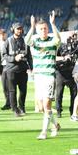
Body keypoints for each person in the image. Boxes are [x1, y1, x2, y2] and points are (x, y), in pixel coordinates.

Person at [25, 11, 61, 140]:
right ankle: (56, 124)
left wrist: (53, 24)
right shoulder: (34, 41)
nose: (44, 30)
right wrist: (32, 26)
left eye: (45, 28)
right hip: (38, 77)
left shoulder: (52, 41)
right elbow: (27, 40)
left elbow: (58, 39)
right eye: (41, 29)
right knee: (41, 107)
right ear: (37, 30)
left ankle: (44, 132)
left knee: (47, 105)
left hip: (49, 77)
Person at [2, 23, 33, 117]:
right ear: (13, 30)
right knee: (12, 91)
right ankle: (15, 109)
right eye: (17, 29)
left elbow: (29, 56)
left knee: (23, 90)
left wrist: (32, 68)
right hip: (11, 70)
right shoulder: (8, 41)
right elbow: (4, 56)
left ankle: (22, 107)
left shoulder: (26, 41)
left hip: (23, 70)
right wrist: (14, 58)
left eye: (21, 29)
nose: (19, 30)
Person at [55, 32, 78, 118]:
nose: (73, 38)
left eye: (75, 36)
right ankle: (58, 110)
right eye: (71, 36)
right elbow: (53, 57)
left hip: (72, 72)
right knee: (59, 93)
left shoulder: (77, 47)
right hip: (61, 72)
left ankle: (72, 110)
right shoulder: (61, 46)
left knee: (74, 93)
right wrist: (64, 58)